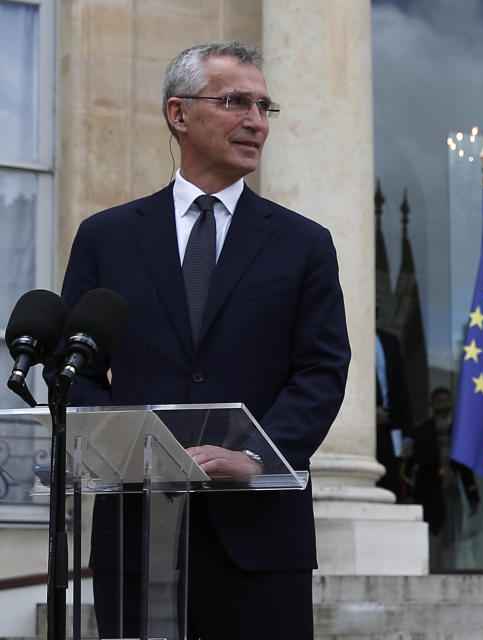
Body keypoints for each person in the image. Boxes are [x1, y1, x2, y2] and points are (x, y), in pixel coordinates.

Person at [55, 41, 350, 639]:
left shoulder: (305, 244)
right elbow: (76, 364)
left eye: (265, 107)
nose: (256, 123)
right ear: (179, 114)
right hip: (136, 536)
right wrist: (132, 450)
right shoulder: (106, 237)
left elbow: (321, 370)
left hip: (260, 541)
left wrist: (256, 456)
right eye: (236, 102)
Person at [409, 387, 479, 569]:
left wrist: (473, 495)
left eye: (446, 400)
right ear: (432, 404)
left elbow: (466, 467)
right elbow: (418, 461)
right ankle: (432, 567)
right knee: (433, 534)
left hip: (452, 488)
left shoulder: (459, 429)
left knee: (454, 534)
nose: (443, 404)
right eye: (439, 400)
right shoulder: (423, 430)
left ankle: (452, 569)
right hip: (430, 489)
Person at [375, 328, 413, 496]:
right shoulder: (348, 335)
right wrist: (369, 411)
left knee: (392, 482)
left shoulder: (389, 341)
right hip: (362, 427)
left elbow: (401, 389)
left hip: (392, 424)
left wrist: (407, 435)